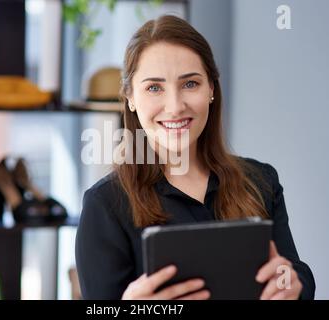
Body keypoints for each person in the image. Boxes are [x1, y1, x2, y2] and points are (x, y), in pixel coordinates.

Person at [75, 15, 315, 300]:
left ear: (211, 89)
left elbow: (295, 273)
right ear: (130, 97)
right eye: (154, 87)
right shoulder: (105, 205)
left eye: (190, 84)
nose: (175, 107)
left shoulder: (261, 181)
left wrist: (292, 283)